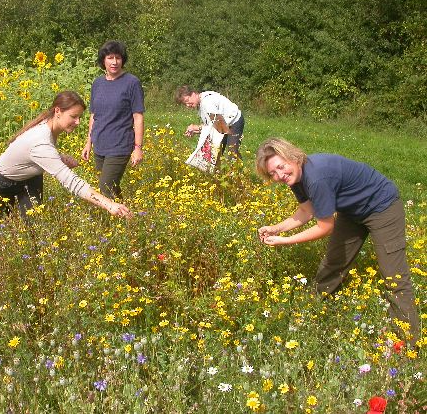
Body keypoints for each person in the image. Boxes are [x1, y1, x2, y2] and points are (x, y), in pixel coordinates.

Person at [256, 137, 420, 345]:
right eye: (273, 173)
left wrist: (285, 240)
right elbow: (306, 211)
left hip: (382, 207)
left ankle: (409, 342)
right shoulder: (296, 178)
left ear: (292, 157)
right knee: (333, 261)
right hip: (352, 212)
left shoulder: (316, 177)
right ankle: (314, 312)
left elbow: (325, 227)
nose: (279, 175)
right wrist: (276, 228)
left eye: (281, 167)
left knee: (394, 276)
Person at [0, 91, 132, 219]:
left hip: (30, 179)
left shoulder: (48, 126)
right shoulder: (40, 140)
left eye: (80, 117)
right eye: (74, 116)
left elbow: (32, 154)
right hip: (2, 184)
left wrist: (59, 158)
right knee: (1, 227)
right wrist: (109, 204)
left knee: (35, 229)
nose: (78, 122)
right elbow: (72, 182)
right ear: (57, 111)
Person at [81, 40, 145, 199]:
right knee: (111, 187)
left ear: (123, 60)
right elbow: (94, 115)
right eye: (110, 58)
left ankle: (109, 222)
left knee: (105, 187)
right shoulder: (98, 83)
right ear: (103, 60)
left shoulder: (132, 83)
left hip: (119, 145)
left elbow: (138, 117)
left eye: (118, 58)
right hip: (100, 145)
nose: (114, 62)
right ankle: (127, 218)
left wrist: (138, 148)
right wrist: (88, 142)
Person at [175, 86, 245, 160]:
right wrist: (196, 130)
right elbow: (211, 125)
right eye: (185, 104)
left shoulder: (207, 103)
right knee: (215, 153)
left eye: (187, 100)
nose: (187, 105)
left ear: (193, 93)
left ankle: (238, 170)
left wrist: (197, 127)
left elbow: (219, 125)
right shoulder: (201, 102)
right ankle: (217, 170)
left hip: (234, 122)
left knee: (232, 153)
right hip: (223, 125)